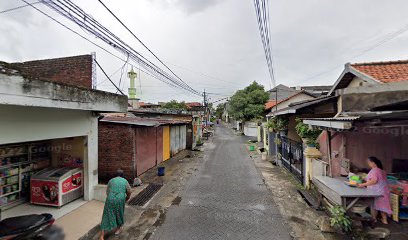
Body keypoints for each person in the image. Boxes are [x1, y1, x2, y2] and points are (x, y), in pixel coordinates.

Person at [357, 156, 392, 224]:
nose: (368, 164)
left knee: (374, 205)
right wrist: (364, 179)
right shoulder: (381, 170)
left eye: (369, 162)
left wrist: (362, 185)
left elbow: (374, 181)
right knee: (383, 205)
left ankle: (374, 219)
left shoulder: (375, 170)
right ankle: (384, 220)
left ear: (373, 163)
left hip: (377, 192)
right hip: (384, 191)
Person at [100, 169, 131, 240]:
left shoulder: (111, 181)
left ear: (115, 175)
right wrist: (126, 198)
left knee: (106, 215)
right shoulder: (125, 181)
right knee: (119, 213)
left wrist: (110, 199)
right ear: (122, 175)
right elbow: (129, 191)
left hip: (110, 198)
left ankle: (102, 235)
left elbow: (107, 192)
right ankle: (119, 228)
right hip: (120, 199)